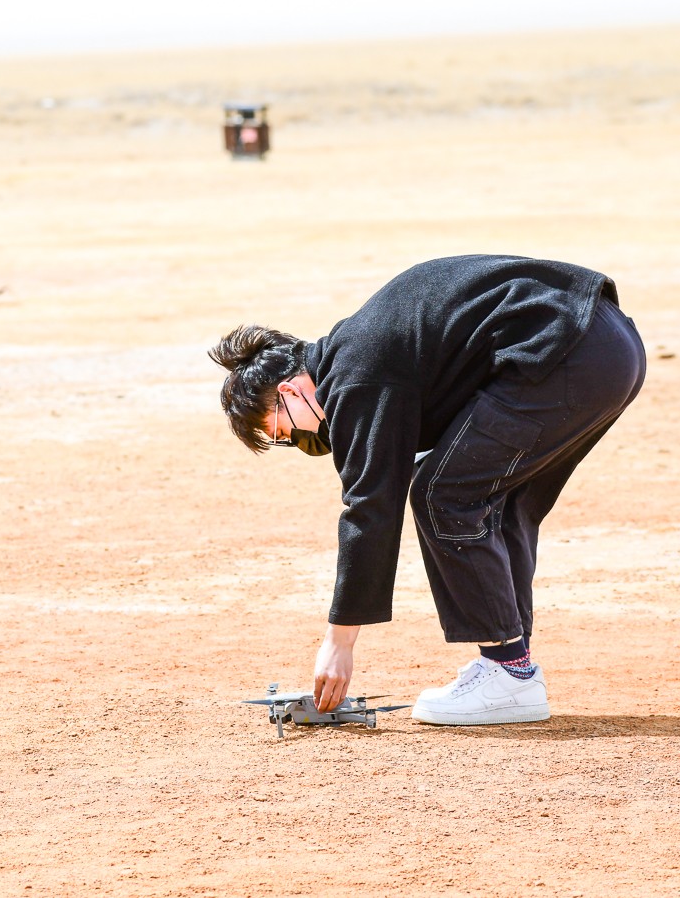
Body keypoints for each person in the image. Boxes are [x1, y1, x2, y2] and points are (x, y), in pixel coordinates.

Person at [209, 255, 646, 725]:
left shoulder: (356, 373)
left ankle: (509, 674)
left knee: (443, 494)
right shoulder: (356, 351)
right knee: (494, 496)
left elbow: (370, 506)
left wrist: (339, 643)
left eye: (278, 431)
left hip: (567, 350)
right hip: (608, 344)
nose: (293, 442)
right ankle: (512, 665)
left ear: (291, 391)